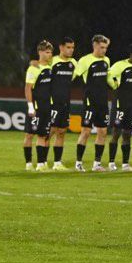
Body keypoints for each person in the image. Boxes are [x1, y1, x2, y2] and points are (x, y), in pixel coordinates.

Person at [70, 34, 112, 171]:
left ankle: (97, 164)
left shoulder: (106, 60)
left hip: (103, 102)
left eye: (105, 48)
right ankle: (78, 163)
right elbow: (74, 75)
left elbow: (108, 79)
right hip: (90, 102)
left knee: (103, 132)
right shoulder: (85, 60)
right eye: (101, 47)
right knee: (86, 132)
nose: (104, 50)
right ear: (94, 46)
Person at [106, 43, 132, 170]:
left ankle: (125, 164)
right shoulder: (120, 65)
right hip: (120, 104)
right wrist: (114, 85)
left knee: (127, 134)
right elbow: (108, 75)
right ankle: (111, 163)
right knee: (116, 133)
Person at [44, 37, 79, 170]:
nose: (71, 50)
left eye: (72, 48)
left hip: (65, 102)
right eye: (68, 47)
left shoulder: (73, 63)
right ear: (61, 47)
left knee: (62, 131)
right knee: (49, 131)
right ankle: (43, 162)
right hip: (53, 103)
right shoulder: (52, 61)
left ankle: (57, 163)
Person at [21, 41, 54, 170]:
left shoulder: (51, 67)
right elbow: (28, 88)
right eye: (47, 52)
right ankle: (28, 163)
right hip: (36, 106)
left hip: (47, 106)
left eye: (51, 52)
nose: (50, 54)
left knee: (43, 135)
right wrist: (30, 106)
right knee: (29, 134)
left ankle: (40, 164)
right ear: (40, 52)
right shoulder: (33, 68)